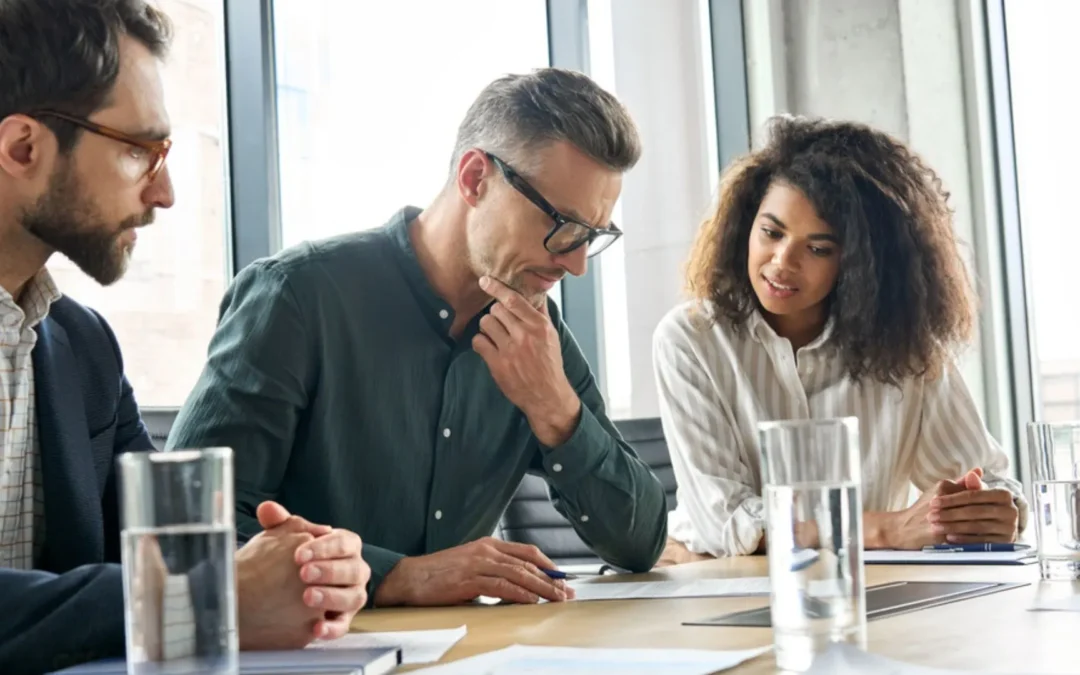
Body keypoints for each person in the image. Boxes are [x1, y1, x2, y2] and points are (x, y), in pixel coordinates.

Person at [167, 67, 668, 606]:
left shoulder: (536, 334)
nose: (575, 266)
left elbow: (639, 544)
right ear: (476, 178)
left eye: (591, 237)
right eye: (562, 225)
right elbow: (185, 524)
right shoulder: (296, 298)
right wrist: (398, 576)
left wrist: (556, 409)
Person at [0, 2, 368, 673]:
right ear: (23, 147)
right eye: (140, 150)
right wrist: (213, 594)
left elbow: (165, 561)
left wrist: (303, 571)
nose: (164, 192)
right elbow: (169, 591)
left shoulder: (84, 349)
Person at [652, 115, 1026, 564]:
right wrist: (886, 529)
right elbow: (728, 523)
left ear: (860, 264)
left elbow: (989, 479)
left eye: (818, 249)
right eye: (771, 232)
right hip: (715, 580)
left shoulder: (906, 349)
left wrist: (988, 511)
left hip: (867, 588)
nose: (782, 262)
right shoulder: (690, 339)